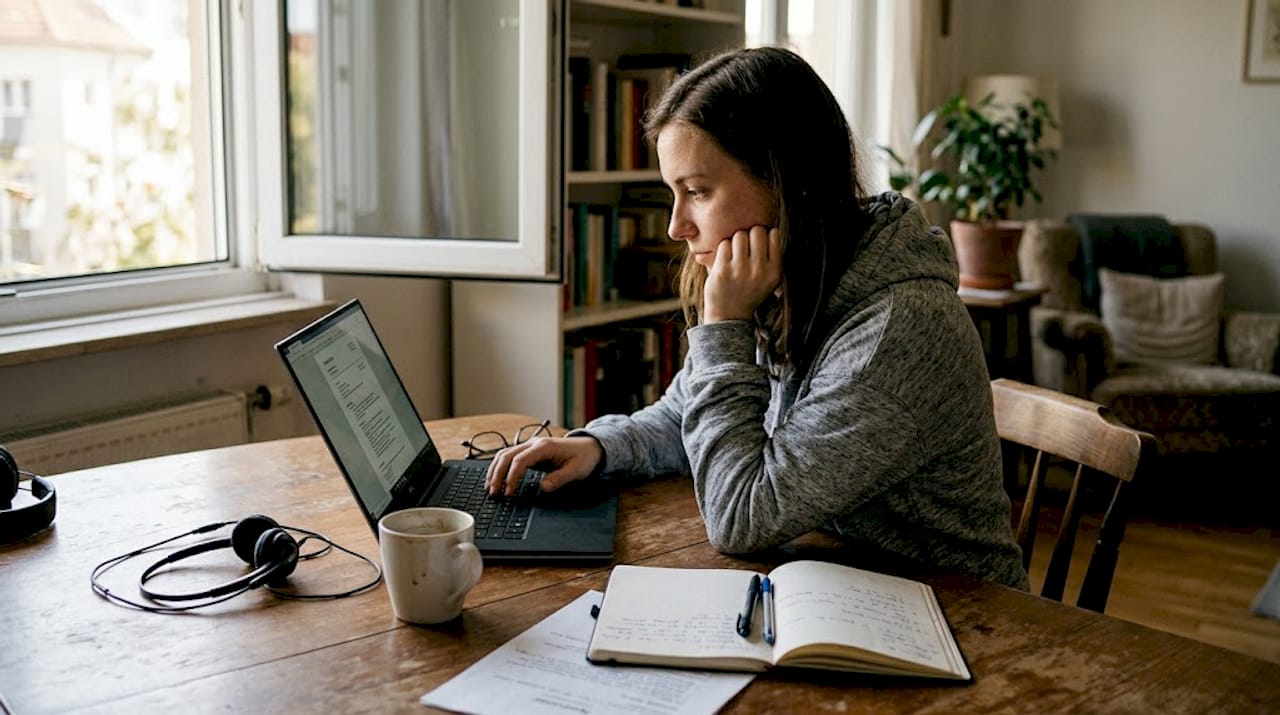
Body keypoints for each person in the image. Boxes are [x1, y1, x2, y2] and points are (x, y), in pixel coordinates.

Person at [486, 46, 1028, 590]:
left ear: (785, 181)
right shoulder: (796, 275)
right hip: (844, 581)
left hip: (964, 613)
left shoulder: (897, 330)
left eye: (697, 192)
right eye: (673, 193)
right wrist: (600, 448)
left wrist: (724, 326)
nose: (676, 226)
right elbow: (684, 413)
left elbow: (742, 517)